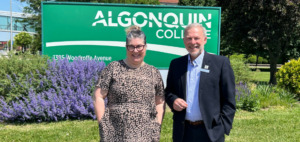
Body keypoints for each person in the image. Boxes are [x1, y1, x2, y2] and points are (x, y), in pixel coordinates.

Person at [165, 23, 236, 142]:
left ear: (205, 39)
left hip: (210, 132)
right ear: (184, 40)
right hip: (183, 131)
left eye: (196, 38)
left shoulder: (220, 63)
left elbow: (229, 100)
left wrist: (222, 127)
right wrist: (173, 100)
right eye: (189, 38)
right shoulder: (176, 64)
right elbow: (169, 92)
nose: (193, 42)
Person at [93, 25, 165, 142]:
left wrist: (156, 126)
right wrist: (103, 125)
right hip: (114, 135)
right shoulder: (113, 68)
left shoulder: (153, 72)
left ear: (145, 47)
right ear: (126, 47)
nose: (135, 50)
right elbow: (98, 96)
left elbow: (160, 102)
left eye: (139, 47)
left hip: (146, 136)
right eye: (131, 47)